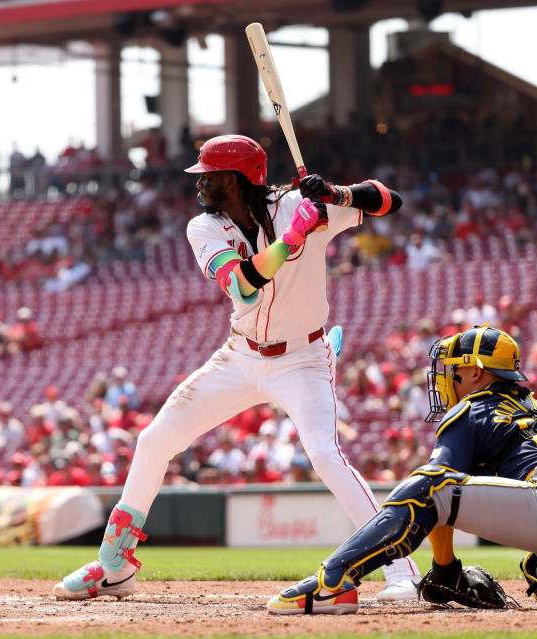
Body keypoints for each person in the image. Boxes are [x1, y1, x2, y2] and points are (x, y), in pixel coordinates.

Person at [53, 134, 417, 602]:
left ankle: (402, 573)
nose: (201, 184)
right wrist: (290, 239)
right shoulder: (203, 227)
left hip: (303, 359)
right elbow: (243, 288)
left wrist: (334, 196)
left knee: (326, 455)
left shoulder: (300, 204)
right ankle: (114, 566)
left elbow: (390, 200)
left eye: (210, 176)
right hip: (241, 355)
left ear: (237, 179)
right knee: (154, 440)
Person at [266, 325, 537, 614]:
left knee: (429, 485)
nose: (448, 377)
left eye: (455, 370)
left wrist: (445, 569)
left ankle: (332, 582)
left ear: (476, 372)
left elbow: (437, 481)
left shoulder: (473, 408)